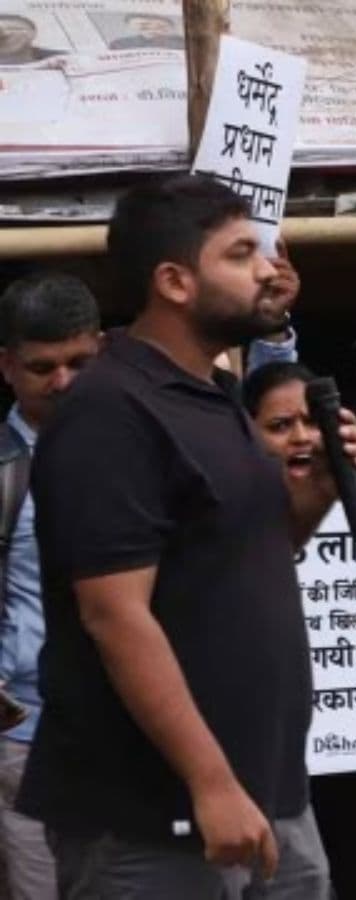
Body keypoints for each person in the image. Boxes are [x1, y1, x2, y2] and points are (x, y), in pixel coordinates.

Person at [18, 175, 356, 897]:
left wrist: (315, 499)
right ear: (175, 281)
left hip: (268, 793)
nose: (270, 270)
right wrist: (209, 783)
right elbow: (114, 614)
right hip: (157, 816)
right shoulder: (111, 411)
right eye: (242, 254)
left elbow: (242, 560)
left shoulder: (212, 396)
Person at [242, 361, 356, 900]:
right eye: (280, 426)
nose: (302, 437)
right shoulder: (221, 527)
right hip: (269, 762)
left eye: (311, 423)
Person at [0, 273, 98, 900]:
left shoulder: (148, 450)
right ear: (7, 366)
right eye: (42, 367)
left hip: (140, 729)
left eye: (78, 363)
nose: (63, 382)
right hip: (25, 734)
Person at [107, 14, 184, 51]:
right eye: (143, 25)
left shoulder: (181, 42)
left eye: (160, 26)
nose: (152, 29)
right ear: (130, 26)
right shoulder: (118, 44)